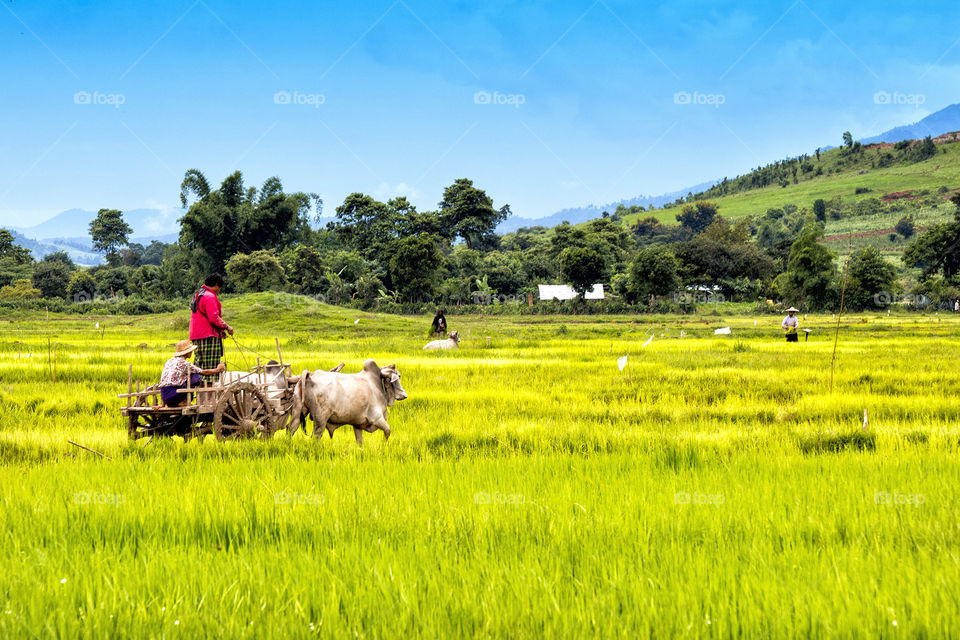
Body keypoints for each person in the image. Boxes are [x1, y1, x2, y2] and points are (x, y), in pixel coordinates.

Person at [189, 273, 233, 383]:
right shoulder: (210, 296)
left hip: (196, 335)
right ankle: (207, 397)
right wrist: (227, 327)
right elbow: (213, 318)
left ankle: (200, 396)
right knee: (211, 368)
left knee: (200, 366)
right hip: (208, 336)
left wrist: (221, 331)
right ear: (217, 286)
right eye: (219, 288)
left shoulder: (199, 294)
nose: (219, 290)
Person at [159, 340, 225, 407]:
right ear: (187, 353)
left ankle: (172, 402)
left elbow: (166, 381)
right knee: (196, 376)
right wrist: (217, 370)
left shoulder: (169, 361)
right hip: (175, 395)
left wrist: (162, 404)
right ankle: (183, 401)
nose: (192, 352)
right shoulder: (185, 363)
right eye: (190, 351)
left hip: (164, 396)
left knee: (182, 378)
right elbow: (204, 372)